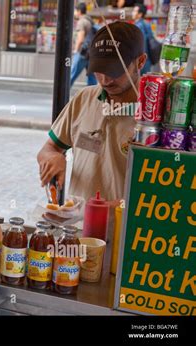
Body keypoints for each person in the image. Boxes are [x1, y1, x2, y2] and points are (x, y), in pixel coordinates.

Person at [38, 22, 148, 203]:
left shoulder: (154, 115)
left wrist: (112, 209)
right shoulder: (84, 99)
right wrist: (53, 158)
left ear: (140, 62)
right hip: (78, 226)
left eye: (115, 70)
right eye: (99, 69)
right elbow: (49, 148)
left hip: (126, 228)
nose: (105, 79)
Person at [70, 3, 97, 87]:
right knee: (92, 79)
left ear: (79, 11)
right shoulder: (90, 21)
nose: (74, 13)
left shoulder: (81, 22)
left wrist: (75, 50)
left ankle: (62, 96)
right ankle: (93, 98)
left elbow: (80, 39)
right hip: (91, 54)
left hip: (82, 53)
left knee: (71, 76)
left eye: (75, 11)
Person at [132, 3, 153, 75]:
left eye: (134, 11)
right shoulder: (146, 24)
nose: (132, 13)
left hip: (140, 62)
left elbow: (139, 46)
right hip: (147, 60)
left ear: (140, 14)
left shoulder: (138, 26)